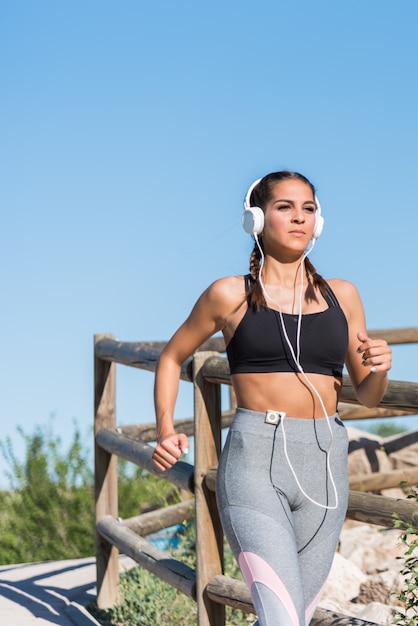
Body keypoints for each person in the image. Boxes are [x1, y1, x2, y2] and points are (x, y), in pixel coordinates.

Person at [151, 170, 392, 626]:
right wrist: (166, 429)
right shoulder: (229, 294)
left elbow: (369, 395)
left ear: (318, 222)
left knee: (292, 618)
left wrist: (378, 367)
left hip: (325, 465)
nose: (300, 217)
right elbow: (171, 358)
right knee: (282, 618)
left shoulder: (343, 295)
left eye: (309, 208)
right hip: (255, 461)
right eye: (285, 207)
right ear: (256, 219)